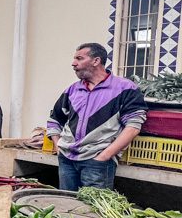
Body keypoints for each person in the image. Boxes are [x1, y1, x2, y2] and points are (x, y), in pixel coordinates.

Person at [47, 42, 147, 191]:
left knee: (92, 212)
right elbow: (55, 120)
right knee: (66, 206)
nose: (73, 63)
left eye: (79, 58)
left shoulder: (125, 89)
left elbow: (133, 127)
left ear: (96, 61)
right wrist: (59, 147)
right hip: (67, 160)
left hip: (97, 162)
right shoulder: (72, 90)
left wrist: (104, 156)